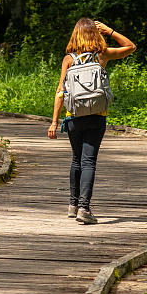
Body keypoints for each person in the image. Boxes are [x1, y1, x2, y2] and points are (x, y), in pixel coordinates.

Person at [47, 18, 136, 224]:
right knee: (89, 161)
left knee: (76, 159)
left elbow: (60, 92)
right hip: (97, 116)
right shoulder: (101, 55)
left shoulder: (69, 59)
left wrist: (54, 122)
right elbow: (131, 47)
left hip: (73, 117)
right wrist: (110, 31)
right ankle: (84, 209)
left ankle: (73, 205)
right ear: (95, 34)